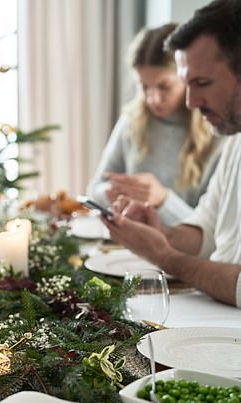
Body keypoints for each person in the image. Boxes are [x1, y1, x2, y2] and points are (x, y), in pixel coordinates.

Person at [103, 0, 241, 307]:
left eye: (202, 83)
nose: (190, 101)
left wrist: (165, 255)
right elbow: (205, 234)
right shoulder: (235, 138)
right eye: (187, 84)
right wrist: (159, 232)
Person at [87, 23, 222, 226]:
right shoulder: (132, 121)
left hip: (181, 254)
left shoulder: (217, 130)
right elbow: (94, 190)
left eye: (164, 87)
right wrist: (111, 192)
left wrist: (163, 200)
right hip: (127, 247)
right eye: (144, 87)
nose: (153, 99)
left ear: (187, 78)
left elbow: (212, 231)